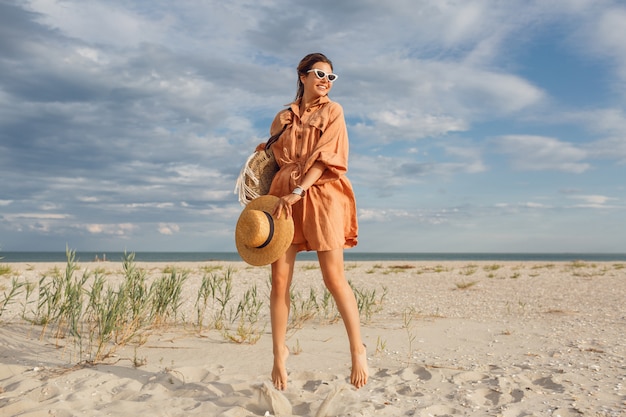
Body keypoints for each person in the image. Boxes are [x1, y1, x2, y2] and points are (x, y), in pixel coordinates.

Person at [262, 52, 367, 390]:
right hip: (284, 196)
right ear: (303, 76)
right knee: (279, 281)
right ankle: (279, 353)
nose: (325, 80)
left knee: (334, 278)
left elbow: (327, 157)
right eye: (319, 74)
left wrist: (299, 190)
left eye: (331, 77)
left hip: (321, 193)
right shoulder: (282, 118)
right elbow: (273, 162)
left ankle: (358, 350)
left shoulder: (334, 111)